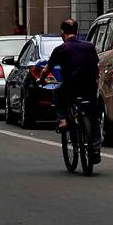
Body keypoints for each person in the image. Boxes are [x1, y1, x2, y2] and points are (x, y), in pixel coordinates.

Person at [44, 19, 101, 162]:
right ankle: (95, 148)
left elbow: (47, 69)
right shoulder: (89, 46)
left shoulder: (61, 49)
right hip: (89, 87)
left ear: (62, 33)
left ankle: (63, 119)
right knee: (94, 117)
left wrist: (41, 79)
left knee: (57, 92)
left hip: (70, 88)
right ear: (76, 31)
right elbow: (96, 66)